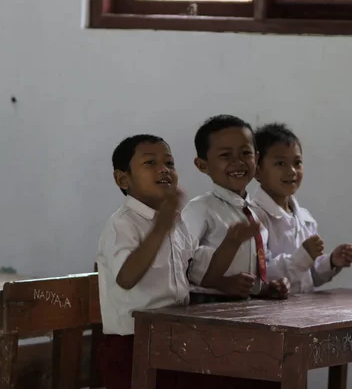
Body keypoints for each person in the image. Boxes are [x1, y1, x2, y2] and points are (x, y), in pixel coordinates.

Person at [96, 134, 259, 389]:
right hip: (132, 344)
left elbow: (203, 274)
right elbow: (126, 278)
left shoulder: (175, 221)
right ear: (122, 178)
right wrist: (160, 228)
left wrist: (231, 243)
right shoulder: (122, 224)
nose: (164, 169)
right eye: (150, 163)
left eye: (170, 163)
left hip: (175, 339)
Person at [182, 114, 290, 303]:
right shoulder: (199, 209)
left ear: (256, 159)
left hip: (244, 306)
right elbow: (182, 261)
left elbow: (257, 261)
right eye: (225, 155)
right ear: (202, 165)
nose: (238, 161)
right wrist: (222, 283)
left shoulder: (256, 212)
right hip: (206, 305)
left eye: (245, 153)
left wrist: (264, 287)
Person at [252, 123, 352, 293]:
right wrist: (302, 257)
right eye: (280, 163)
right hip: (270, 313)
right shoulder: (254, 217)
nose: (292, 171)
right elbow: (261, 275)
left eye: (297, 162)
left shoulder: (305, 218)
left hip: (303, 311)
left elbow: (310, 277)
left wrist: (331, 262)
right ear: (257, 170)